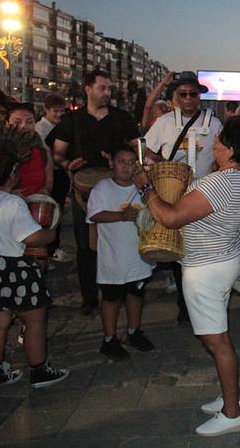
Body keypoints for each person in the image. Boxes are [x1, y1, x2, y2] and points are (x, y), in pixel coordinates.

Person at [133, 117, 240, 436]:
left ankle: (232, 413)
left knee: (216, 341)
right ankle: (234, 397)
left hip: (206, 269)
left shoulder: (219, 183)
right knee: (217, 335)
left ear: (231, 149)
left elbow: (170, 217)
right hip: (223, 258)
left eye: (219, 139)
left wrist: (146, 188)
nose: (214, 143)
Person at [47, 69, 140, 315]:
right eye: (102, 88)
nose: (108, 93)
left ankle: (121, 291)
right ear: (88, 89)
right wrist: (68, 164)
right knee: (86, 247)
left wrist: (122, 159)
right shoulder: (72, 120)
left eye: (110, 88)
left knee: (121, 242)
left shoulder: (122, 118)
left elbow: (137, 148)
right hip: (84, 192)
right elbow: (57, 154)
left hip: (118, 189)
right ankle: (89, 298)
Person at [0, 141, 69, 391]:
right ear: (12, 175)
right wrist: (50, 234)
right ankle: (39, 370)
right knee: (34, 321)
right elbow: (31, 237)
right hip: (16, 268)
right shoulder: (13, 203)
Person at [144, 71, 222, 323]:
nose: (188, 99)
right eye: (183, 94)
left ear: (200, 96)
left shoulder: (214, 124)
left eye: (193, 94)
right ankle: (185, 306)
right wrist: (163, 171)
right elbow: (148, 151)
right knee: (180, 252)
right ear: (175, 97)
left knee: (203, 251)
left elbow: (222, 156)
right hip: (174, 196)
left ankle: (203, 300)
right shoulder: (164, 122)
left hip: (204, 195)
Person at [87, 145, 155, 361]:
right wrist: (121, 216)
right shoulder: (102, 188)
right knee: (112, 298)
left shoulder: (143, 187)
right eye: (121, 162)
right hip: (113, 258)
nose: (126, 166)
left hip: (138, 255)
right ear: (111, 163)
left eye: (131, 162)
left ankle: (134, 331)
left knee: (136, 294)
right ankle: (109, 339)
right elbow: (94, 215)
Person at [35, 93, 72, 263]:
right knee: (47, 215)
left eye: (61, 111)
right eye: (55, 111)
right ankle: (48, 251)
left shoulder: (63, 127)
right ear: (46, 110)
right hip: (48, 176)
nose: (59, 115)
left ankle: (53, 248)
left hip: (60, 174)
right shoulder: (40, 129)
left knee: (57, 214)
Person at [6, 103, 53, 198]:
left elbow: (49, 181)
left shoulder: (43, 150)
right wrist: (9, 194)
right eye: (17, 122)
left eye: (29, 122)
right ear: (6, 123)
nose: (24, 126)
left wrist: (44, 190)